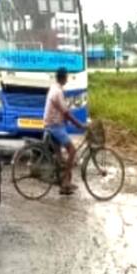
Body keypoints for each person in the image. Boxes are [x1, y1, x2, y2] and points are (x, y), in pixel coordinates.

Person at [43, 67, 86, 195]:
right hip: (54, 126)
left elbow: (61, 111)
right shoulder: (57, 92)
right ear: (63, 78)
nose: (67, 78)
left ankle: (64, 184)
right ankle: (66, 181)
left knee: (60, 157)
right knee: (72, 151)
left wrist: (67, 120)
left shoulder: (54, 88)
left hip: (53, 124)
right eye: (66, 76)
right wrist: (79, 125)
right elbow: (66, 113)